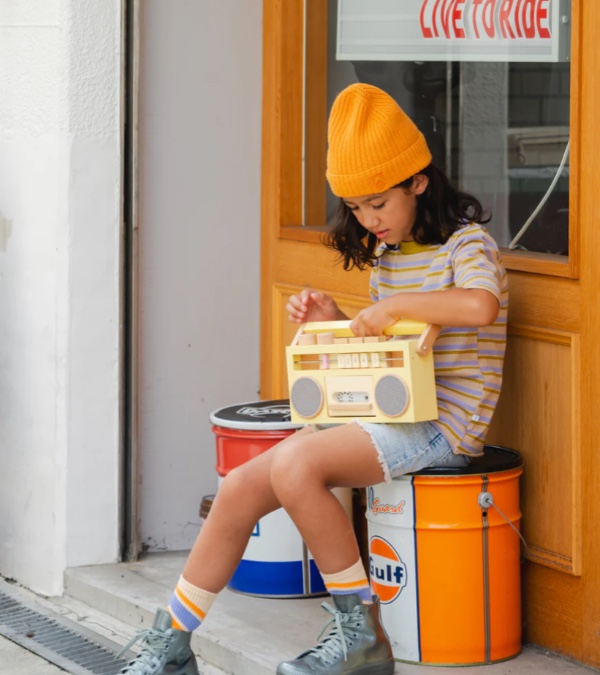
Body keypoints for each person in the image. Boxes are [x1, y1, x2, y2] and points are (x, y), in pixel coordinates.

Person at [117, 83, 508, 675]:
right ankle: (171, 643)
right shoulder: (390, 256)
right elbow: (391, 351)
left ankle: (361, 634)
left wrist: (393, 306)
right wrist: (338, 321)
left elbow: (480, 305)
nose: (369, 220)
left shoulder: (467, 244)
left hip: (443, 428)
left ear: (418, 182)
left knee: (297, 464)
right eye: (355, 208)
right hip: (388, 414)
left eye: (378, 203)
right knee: (240, 485)